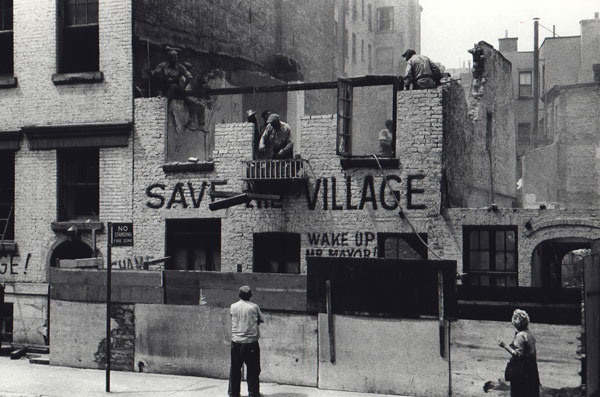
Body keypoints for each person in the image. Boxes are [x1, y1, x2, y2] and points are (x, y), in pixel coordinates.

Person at [229, 285, 264, 397]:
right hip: (251, 343)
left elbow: (233, 318)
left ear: (239, 295)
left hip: (236, 342)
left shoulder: (233, 306)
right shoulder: (254, 307)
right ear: (250, 295)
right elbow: (261, 319)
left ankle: (234, 393)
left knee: (235, 369)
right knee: (253, 369)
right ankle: (253, 393)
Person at [498, 309, 540, 397]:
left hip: (522, 372)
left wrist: (505, 346)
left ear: (516, 322)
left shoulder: (520, 336)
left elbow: (518, 355)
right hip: (531, 370)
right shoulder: (529, 334)